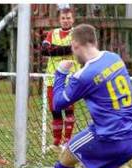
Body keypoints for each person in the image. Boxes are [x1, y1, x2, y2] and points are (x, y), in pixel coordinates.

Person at [24, 24, 132, 168]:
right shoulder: (114, 58)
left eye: (72, 47)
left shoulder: (85, 75)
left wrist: (61, 74)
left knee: (68, 152)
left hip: (109, 136)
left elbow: (58, 103)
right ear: (94, 41)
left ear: (75, 45)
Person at [42, 5, 80, 146]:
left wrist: (55, 49)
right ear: (59, 19)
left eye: (68, 18)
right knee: (55, 110)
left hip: (70, 78)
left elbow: (73, 49)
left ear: (73, 19)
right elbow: (45, 50)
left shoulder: (77, 33)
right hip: (52, 77)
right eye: (63, 18)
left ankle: (68, 140)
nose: (65, 20)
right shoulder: (52, 33)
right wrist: (64, 50)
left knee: (69, 110)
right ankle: (56, 141)